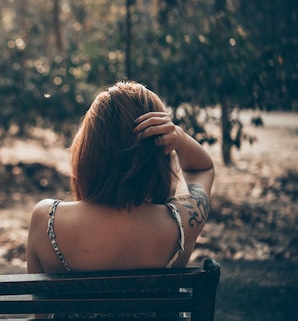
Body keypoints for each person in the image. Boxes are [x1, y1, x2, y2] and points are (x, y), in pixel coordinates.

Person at [27, 81, 214, 275]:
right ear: (157, 154)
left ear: (88, 151)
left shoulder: (47, 220)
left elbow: (37, 301)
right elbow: (203, 168)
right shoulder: (180, 224)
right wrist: (180, 137)